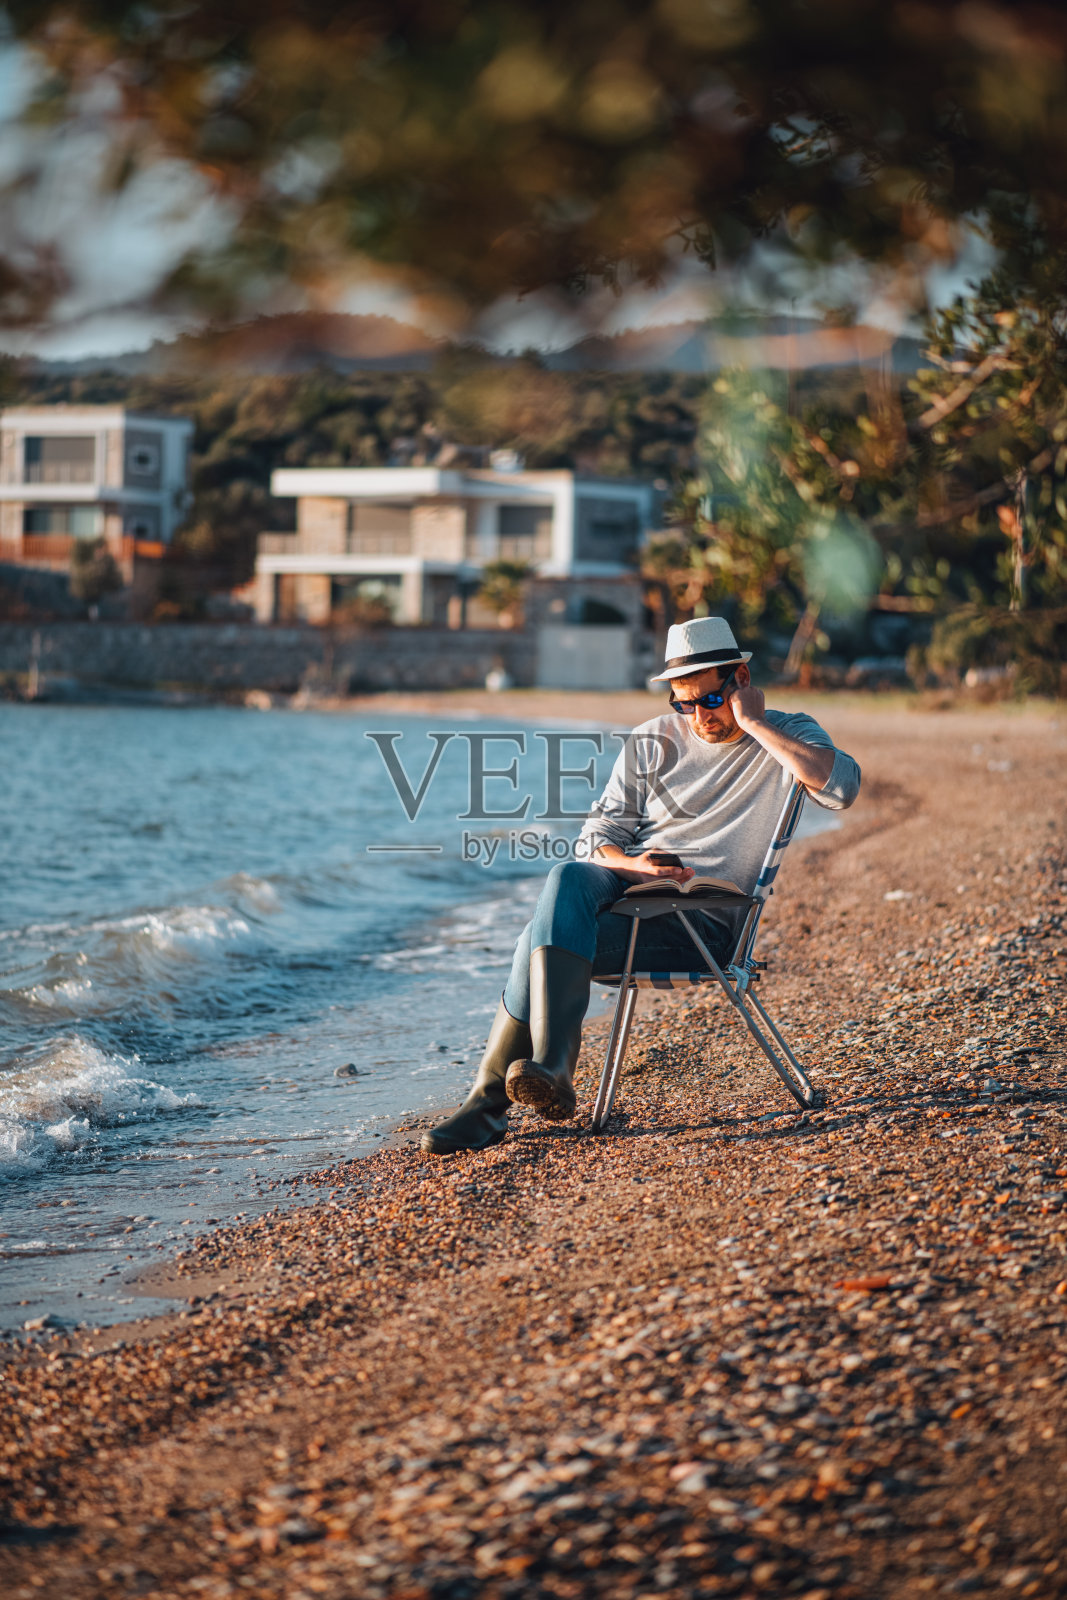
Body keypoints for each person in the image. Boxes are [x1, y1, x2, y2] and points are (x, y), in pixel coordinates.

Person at [421, 616, 861, 1156]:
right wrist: (637, 868)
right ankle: (549, 1070)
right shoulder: (653, 739)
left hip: (702, 923)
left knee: (535, 938)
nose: (698, 716)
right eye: (684, 703)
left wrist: (756, 726)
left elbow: (841, 788)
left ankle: (490, 1105)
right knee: (569, 874)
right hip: (632, 904)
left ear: (741, 681)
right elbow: (597, 837)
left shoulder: (788, 734)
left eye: (711, 699)